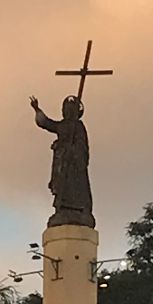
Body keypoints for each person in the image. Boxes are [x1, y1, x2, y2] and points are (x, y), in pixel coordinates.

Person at [30, 94, 95, 228]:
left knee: (75, 185)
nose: (67, 112)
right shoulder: (63, 125)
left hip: (74, 164)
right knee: (62, 185)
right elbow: (47, 124)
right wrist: (37, 110)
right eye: (65, 109)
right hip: (62, 161)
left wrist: (74, 150)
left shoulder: (78, 126)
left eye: (70, 110)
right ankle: (63, 208)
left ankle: (79, 208)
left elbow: (82, 145)